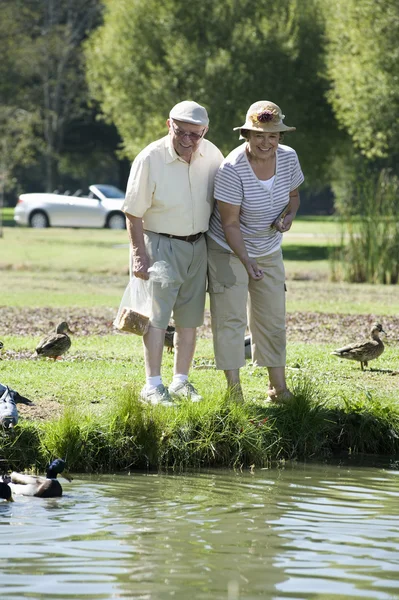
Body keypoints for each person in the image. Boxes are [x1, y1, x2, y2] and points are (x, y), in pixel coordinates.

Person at [122, 100, 223, 405]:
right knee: (155, 318)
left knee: (190, 319)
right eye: (182, 132)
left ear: (204, 131)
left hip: (198, 244)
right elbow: (133, 212)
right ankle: (152, 385)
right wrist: (140, 255)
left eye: (196, 134)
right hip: (159, 243)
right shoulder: (150, 157)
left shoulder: (213, 154)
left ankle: (180, 381)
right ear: (169, 125)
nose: (189, 140)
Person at [207, 100, 304, 402]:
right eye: (259, 135)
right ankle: (234, 392)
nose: (266, 142)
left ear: (280, 138)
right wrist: (247, 261)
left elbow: (295, 196)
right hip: (227, 248)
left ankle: (278, 388)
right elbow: (230, 224)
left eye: (273, 136)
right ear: (247, 135)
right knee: (231, 318)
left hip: (268, 247)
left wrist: (289, 216)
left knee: (272, 317)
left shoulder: (288, 159)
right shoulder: (232, 168)